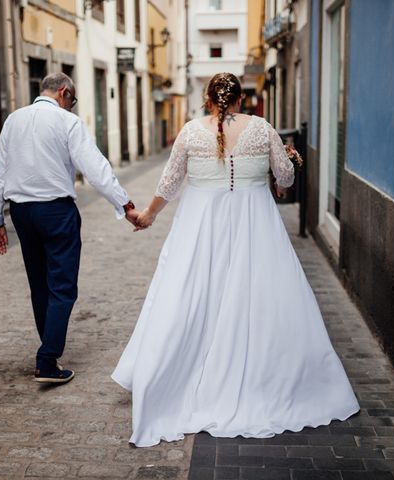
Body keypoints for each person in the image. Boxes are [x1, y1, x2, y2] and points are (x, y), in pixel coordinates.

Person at [112, 73, 360, 447]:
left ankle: (175, 374)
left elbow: (170, 183)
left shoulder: (191, 131)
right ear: (241, 99)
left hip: (200, 228)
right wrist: (288, 159)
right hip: (254, 225)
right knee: (259, 297)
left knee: (190, 295)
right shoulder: (262, 128)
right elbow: (286, 179)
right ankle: (262, 378)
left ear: (208, 100)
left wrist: (147, 215)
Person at [0, 72, 139, 384]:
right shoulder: (67, 123)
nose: (72, 106)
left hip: (22, 213)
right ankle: (47, 358)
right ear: (65, 92)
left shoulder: (14, 119)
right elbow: (95, 169)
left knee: (39, 283)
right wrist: (124, 205)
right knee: (63, 286)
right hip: (56, 211)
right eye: (73, 100)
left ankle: (48, 348)